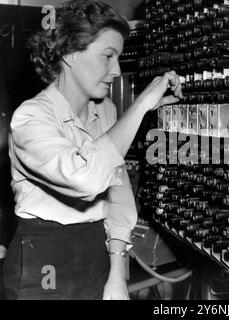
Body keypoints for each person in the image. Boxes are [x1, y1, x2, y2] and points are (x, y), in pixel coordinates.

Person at [3, 0, 182, 300]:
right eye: (108, 56)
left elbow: (118, 195)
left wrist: (116, 275)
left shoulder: (107, 112)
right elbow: (85, 180)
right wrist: (140, 106)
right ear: (70, 53)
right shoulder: (29, 118)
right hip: (43, 258)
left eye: (119, 58)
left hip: (95, 255)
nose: (116, 70)